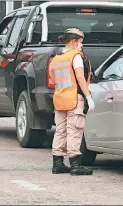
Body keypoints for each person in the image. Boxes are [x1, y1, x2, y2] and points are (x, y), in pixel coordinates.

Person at [49, 28, 95, 176]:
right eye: (81, 42)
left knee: (60, 131)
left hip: (59, 98)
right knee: (75, 130)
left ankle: (58, 164)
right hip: (74, 98)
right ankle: (75, 164)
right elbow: (81, 78)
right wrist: (88, 97)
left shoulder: (56, 58)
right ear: (74, 42)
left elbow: (53, 80)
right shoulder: (75, 56)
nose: (82, 46)